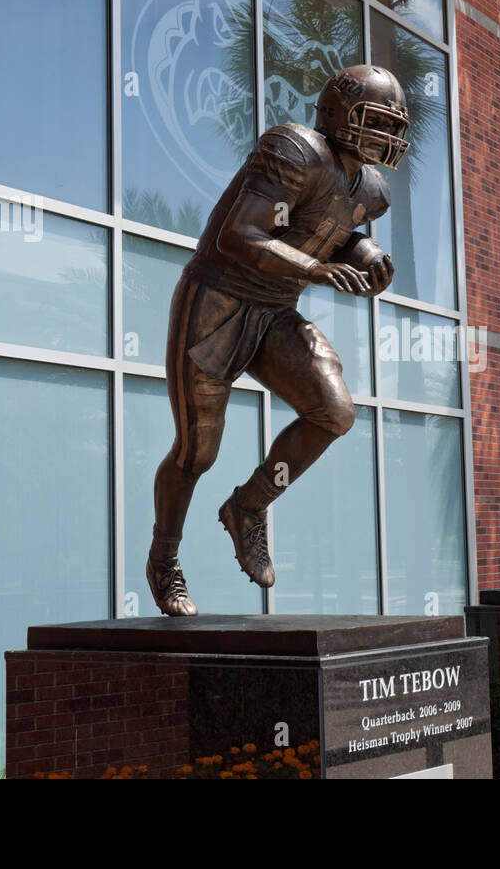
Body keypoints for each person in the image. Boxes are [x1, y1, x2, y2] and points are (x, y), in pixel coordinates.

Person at [145, 65, 409, 616]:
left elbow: (334, 230)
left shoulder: (372, 188)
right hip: (216, 301)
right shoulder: (297, 148)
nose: (386, 136)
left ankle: (249, 506)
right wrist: (314, 267)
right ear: (336, 113)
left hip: (273, 311)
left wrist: (365, 256)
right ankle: (164, 557)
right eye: (375, 121)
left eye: (391, 125)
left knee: (333, 411)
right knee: (197, 452)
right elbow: (240, 233)